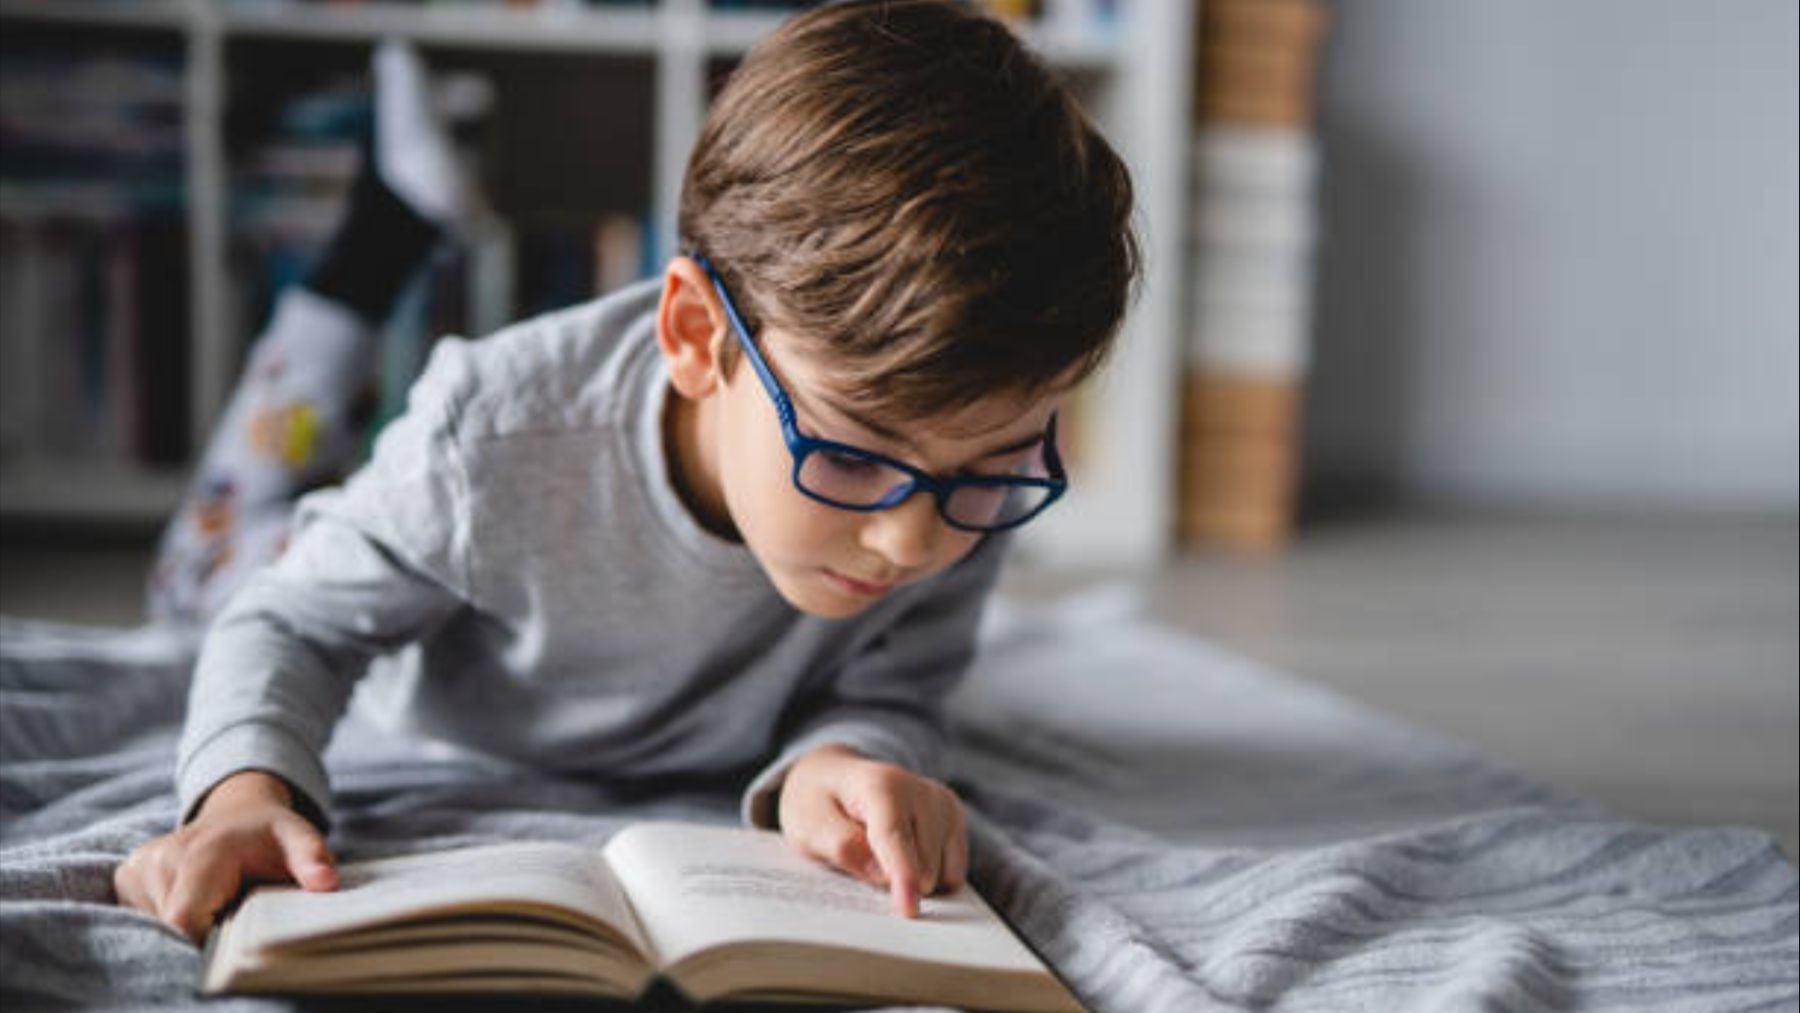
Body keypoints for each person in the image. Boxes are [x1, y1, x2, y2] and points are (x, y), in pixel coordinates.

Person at [114, 0, 1138, 943]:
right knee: (212, 556)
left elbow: (893, 681)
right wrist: (245, 791)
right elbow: (290, 621)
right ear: (697, 335)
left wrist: (838, 759)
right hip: (327, 565)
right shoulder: (493, 439)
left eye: (991, 469)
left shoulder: (956, 478)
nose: (915, 541)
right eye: (853, 454)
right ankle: (375, 245)